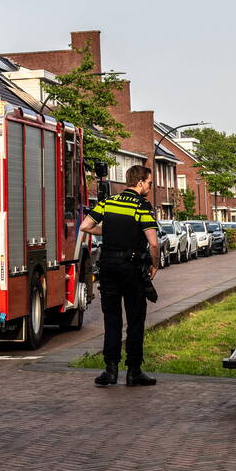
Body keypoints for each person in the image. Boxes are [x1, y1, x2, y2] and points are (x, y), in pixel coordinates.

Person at [79, 165, 161, 387]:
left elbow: (86, 225)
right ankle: (134, 371)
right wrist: (155, 264)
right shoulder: (142, 206)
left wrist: (109, 231)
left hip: (107, 267)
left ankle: (110, 370)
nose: (150, 187)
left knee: (112, 318)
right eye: (150, 183)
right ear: (141, 182)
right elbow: (153, 242)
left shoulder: (109, 202)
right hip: (131, 268)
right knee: (135, 319)